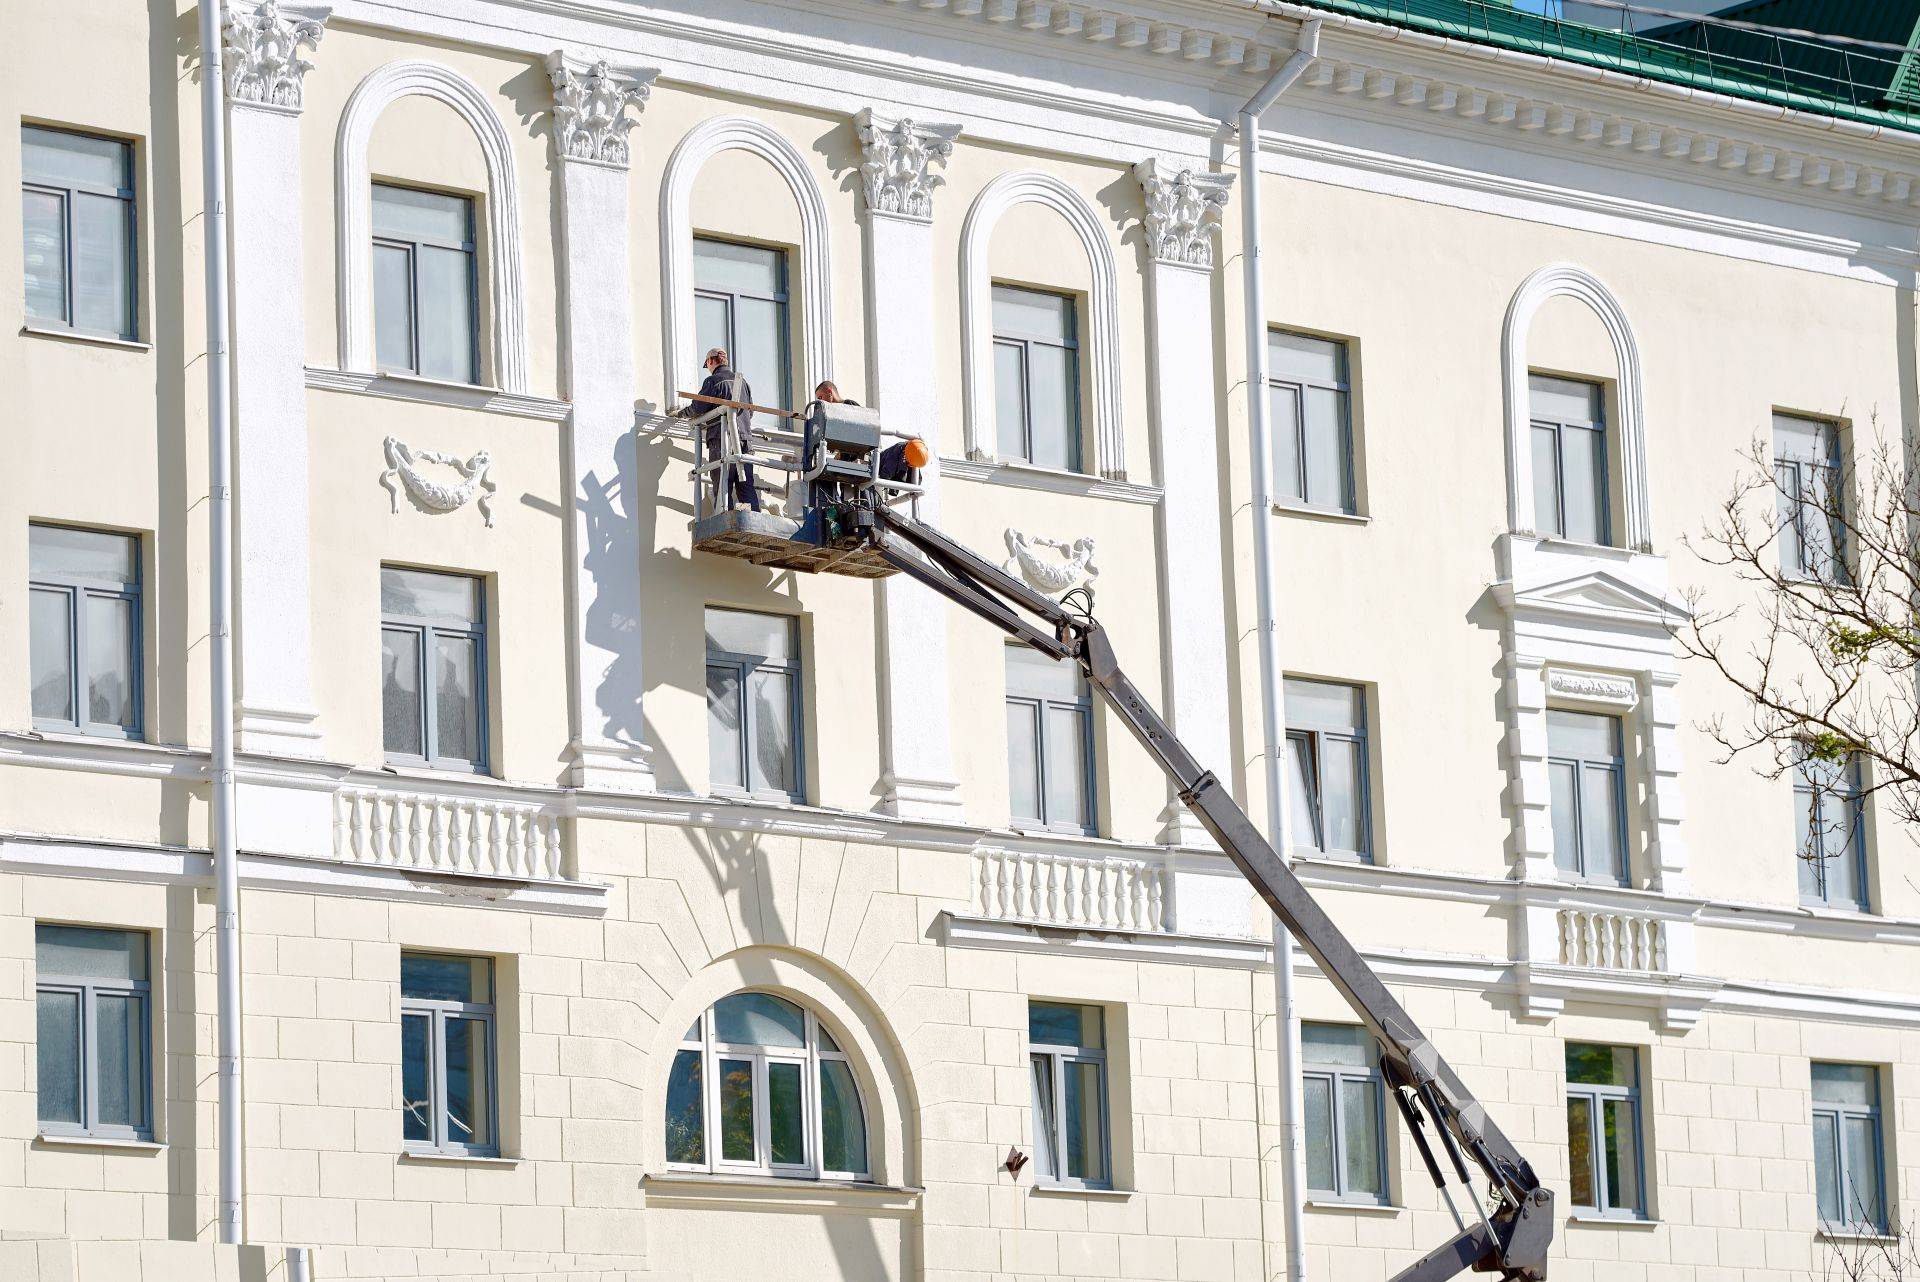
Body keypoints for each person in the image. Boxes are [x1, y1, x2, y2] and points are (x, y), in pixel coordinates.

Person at [684, 347, 759, 512]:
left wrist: (683, 413)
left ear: (711, 361)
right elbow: (750, 412)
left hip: (721, 440)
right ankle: (747, 518)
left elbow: (698, 407)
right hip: (745, 440)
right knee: (744, 486)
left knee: (723, 484)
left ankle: (729, 517)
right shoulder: (744, 384)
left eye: (707, 365)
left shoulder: (713, 381)